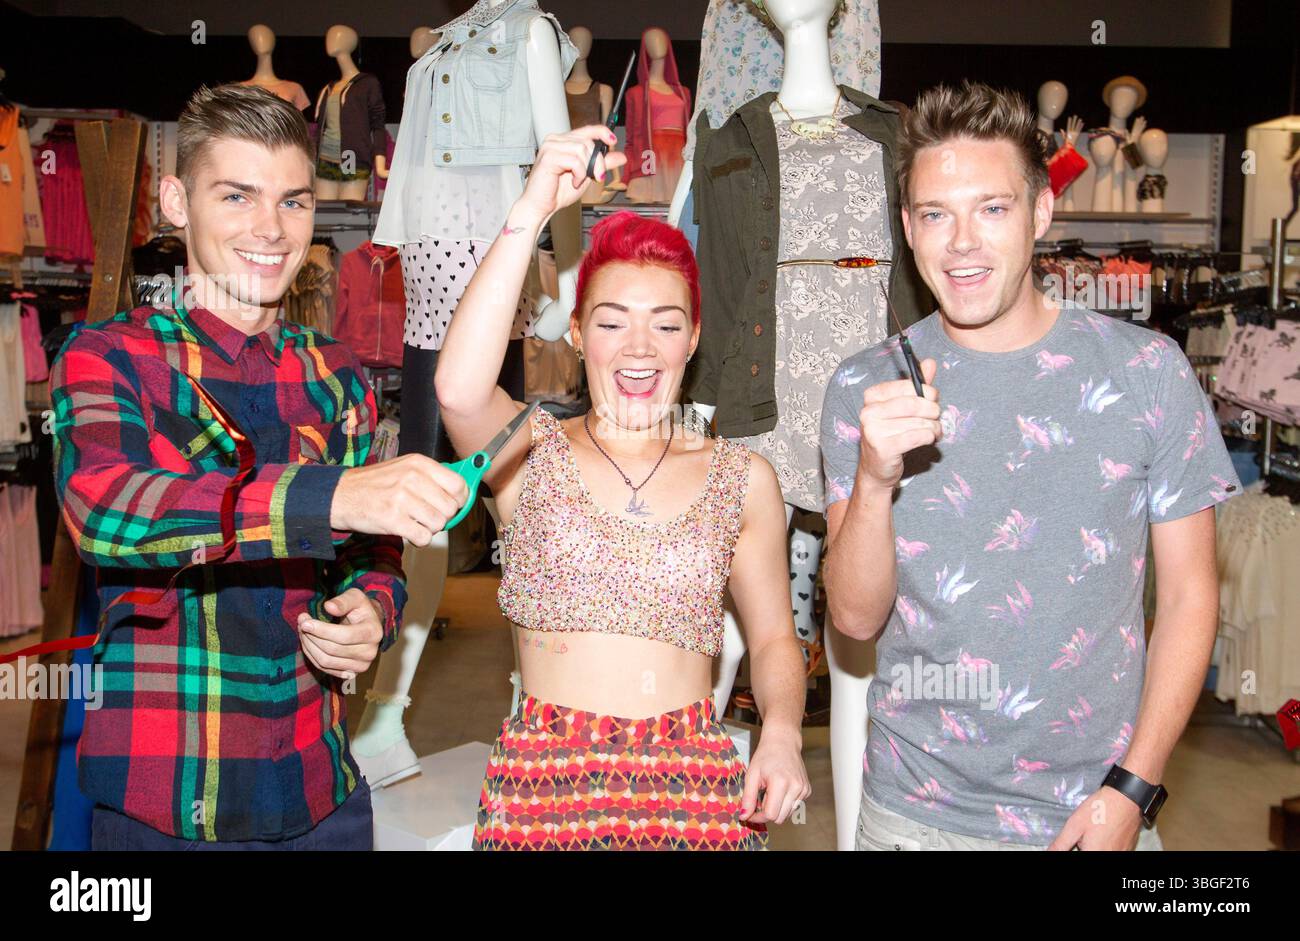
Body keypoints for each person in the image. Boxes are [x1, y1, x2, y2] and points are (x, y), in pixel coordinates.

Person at [819, 81, 1241, 851]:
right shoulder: (865, 386)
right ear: (908, 228)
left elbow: (1189, 596)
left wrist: (1134, 789)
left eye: (993, 207)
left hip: (1093, 814)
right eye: (936, 214)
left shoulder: (1146, 370)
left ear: (1041, 212)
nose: (962, 243)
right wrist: (875, 480)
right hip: (915, 815)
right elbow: (852, 619)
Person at [50, 84, 470, 850]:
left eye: (294, 201)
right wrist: (335, 494)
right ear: (176, 202)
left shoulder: (336, 375)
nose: (271, 230)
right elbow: (105, 508)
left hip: (321, 793)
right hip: (168, 801)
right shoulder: (111, 356)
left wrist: (372, 608)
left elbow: (369, 550)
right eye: (237, 195)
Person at [435, 124, 811, 850]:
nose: (639, 348)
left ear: (694, 337)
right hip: (543, 790)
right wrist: (531, 209)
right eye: (611, 322)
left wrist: (785, 732)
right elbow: (455, 390)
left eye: (665, 325)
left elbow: (771, 639)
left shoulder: (742, 478)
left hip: (695, 788)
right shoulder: (529, 451)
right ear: (576, 334)